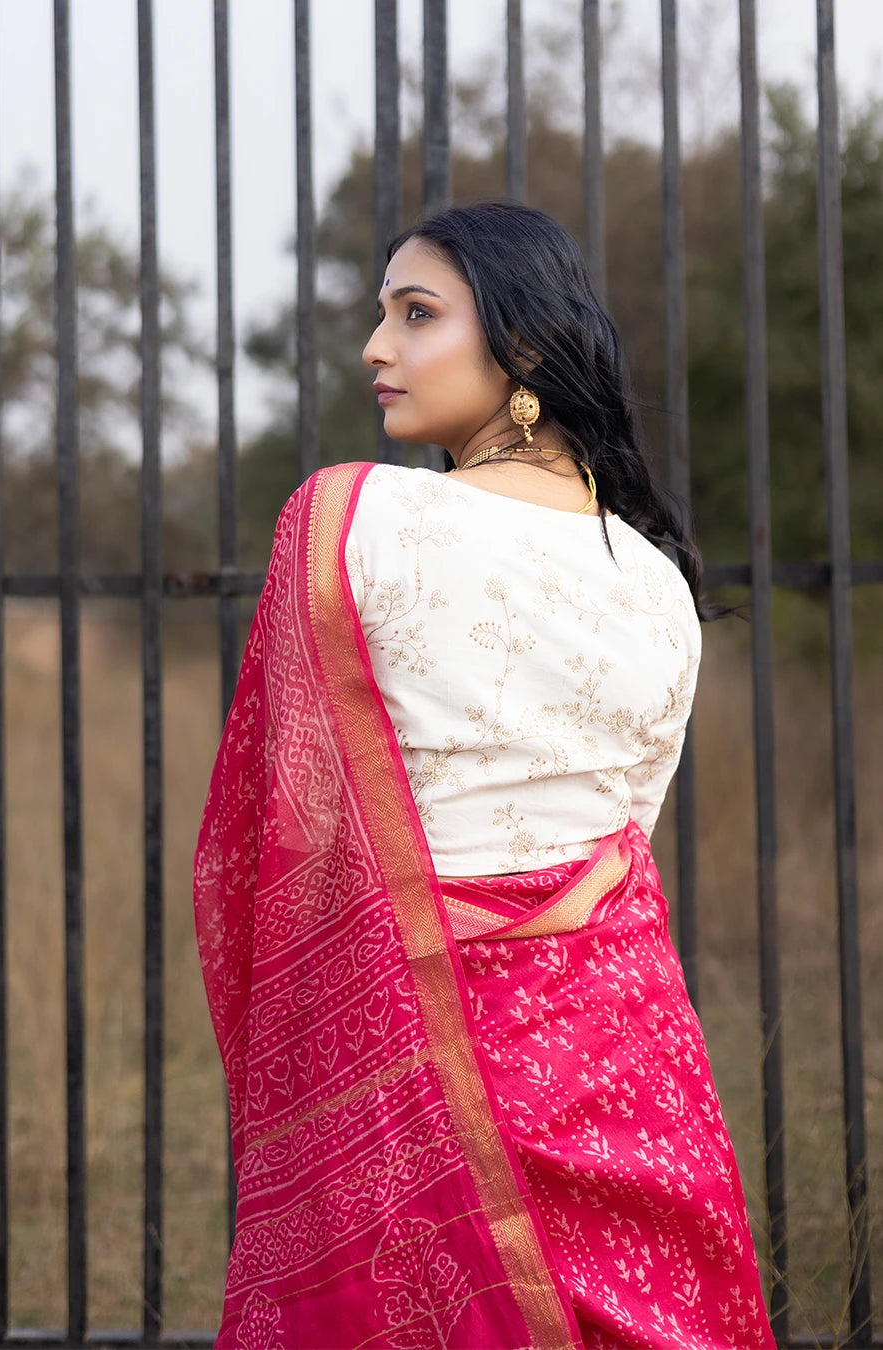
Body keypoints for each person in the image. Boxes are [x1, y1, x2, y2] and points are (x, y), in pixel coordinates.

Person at [193, 200, 775, 1349]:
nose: (378, 349)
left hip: (414, 1046)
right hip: (629, 1066)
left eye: (417, 315)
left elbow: (281, 832)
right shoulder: (659, 579)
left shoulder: (357, 517)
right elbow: (624, 838)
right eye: (382, 318)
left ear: (525, 347)